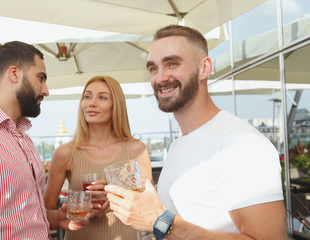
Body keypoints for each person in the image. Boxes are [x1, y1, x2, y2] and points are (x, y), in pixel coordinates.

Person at [105, 25, 287, 239]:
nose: (160, 78)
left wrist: (159, 221)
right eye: (153, 68)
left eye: (172, 63)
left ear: (204, 68)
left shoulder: (241, 143)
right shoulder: (180, 143)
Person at [0, 41, 86, 239]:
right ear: (14, 74)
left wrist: (55, 219)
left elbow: (16, 214)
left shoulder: (21, 135)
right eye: (40, 78)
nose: (46, 90)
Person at [44, 75, 153, 240]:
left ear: (116, 105)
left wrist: (115, 202)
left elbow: (149, 208)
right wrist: (78, 206)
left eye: (102, 97)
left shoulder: (136, 150)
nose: (91, 102)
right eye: (87, 96)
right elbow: (44, 213)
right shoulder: (64, 153)